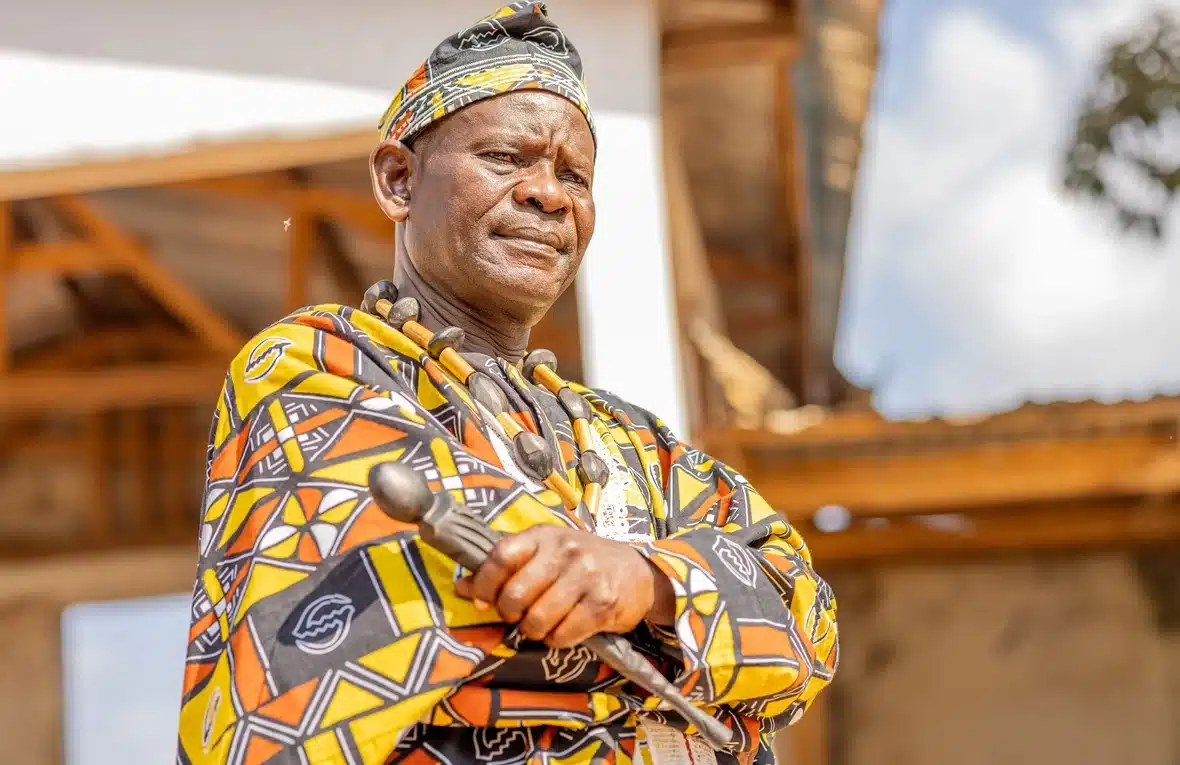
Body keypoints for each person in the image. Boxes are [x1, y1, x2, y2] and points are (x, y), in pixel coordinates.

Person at [175, 4, 838, 764]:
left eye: (574, 175)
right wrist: (694, 616)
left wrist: (644, 580)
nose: (548, 194)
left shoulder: (635, 441)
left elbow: (803, 611)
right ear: (398, 180)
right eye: (505, 158)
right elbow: (430, 567)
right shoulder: (313, 365)